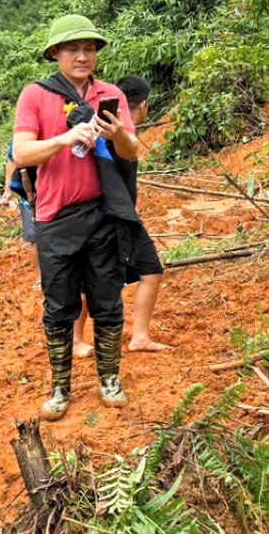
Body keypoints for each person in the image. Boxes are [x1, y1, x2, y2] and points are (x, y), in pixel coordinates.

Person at [12, 14, 141, 421]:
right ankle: (60, 386)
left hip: (103, 215)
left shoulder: (111, 93)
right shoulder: (35, 95)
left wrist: (117, 133)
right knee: (58, 306)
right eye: (73, 49)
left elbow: (131, 151)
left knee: (108, 302)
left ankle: (109, 379)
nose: (82, 56)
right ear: (55, 53)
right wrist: (66, 138)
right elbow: (21, 154)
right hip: (54, 217)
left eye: (89, 48)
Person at [72, 76, 169, 354]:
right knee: (87, 277)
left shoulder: (120, 133)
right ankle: (77, 340)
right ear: (145, 106)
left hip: (122, 215)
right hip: (103, 213)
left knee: (150, 270)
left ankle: (138, 337)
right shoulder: (106, 131)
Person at [1, 140, 40, 288]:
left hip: (55, 193)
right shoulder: (23, 134)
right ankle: (40, 278)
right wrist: (7, 189)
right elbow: (12, 160)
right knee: (34, 237)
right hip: (29, 193)